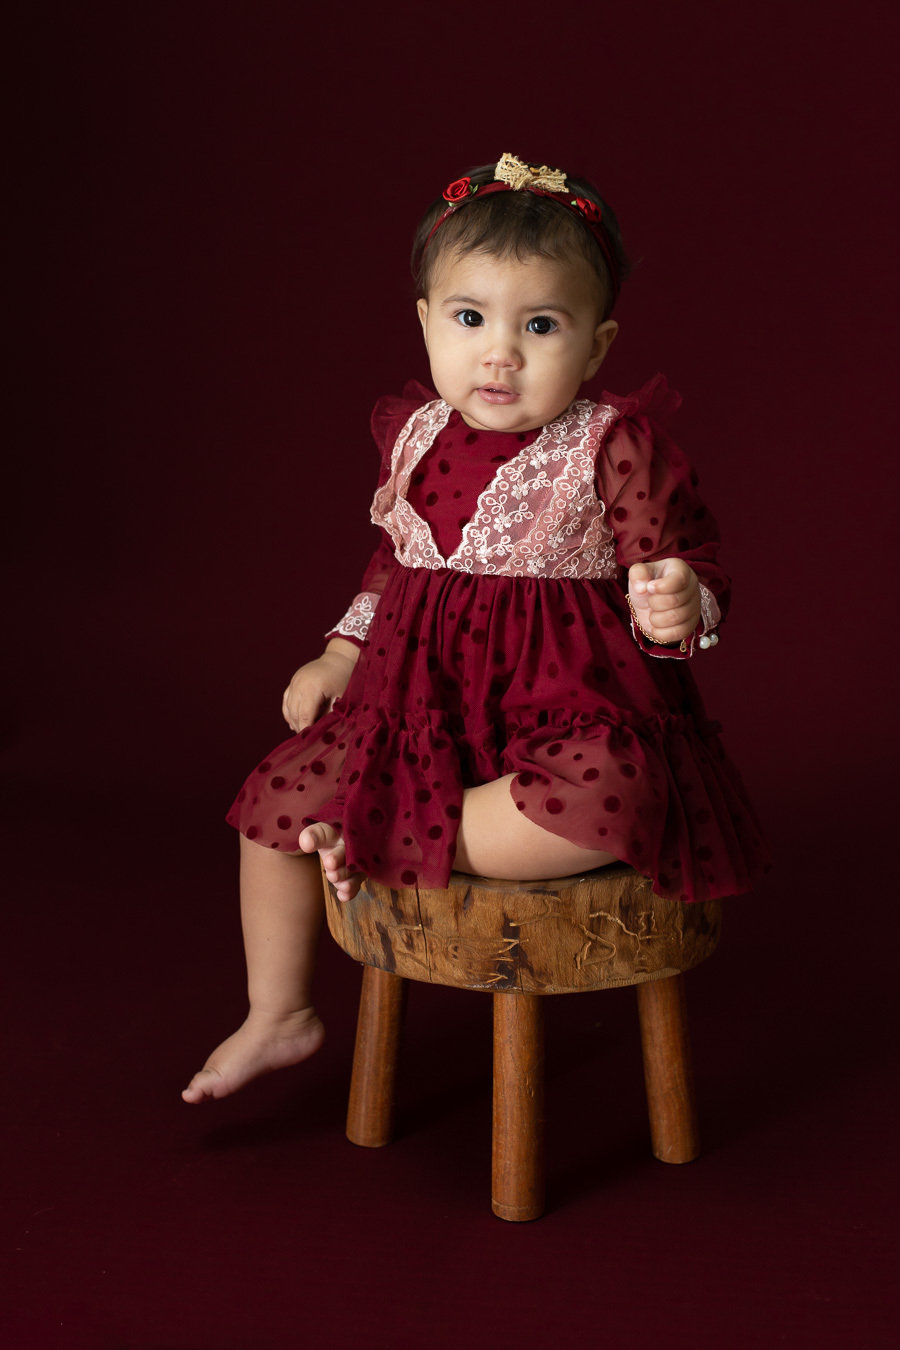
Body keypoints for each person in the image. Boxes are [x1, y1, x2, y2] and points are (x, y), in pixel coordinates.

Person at [183, 152, 769, 1104]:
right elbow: (394, 564)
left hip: (566, 711)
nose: (500, 354)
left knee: (612, 797)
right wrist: (339, 654)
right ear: (425, 323)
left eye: (540, 326)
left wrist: (679, 599)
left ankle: (394, 831)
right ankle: (277, 1012)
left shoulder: (612, 444)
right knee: (272, 801)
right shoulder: (417, 436)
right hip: (419, 709)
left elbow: (684, 556)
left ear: (597, 345)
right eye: (470, 319)